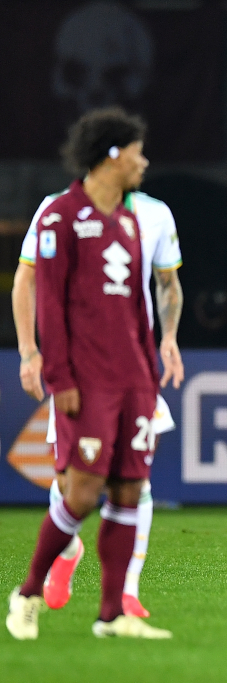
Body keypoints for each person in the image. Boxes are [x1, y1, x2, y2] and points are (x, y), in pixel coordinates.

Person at [6, 108, 172, 639]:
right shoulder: (59, 217)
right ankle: (28, 592)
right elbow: (49, 302)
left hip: (135, 381)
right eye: (138, 153)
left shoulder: (129, 219)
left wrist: (150, 368)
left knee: (129, 490)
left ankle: (112, 615)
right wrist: (59, 377)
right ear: (115, 155)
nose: (144, 163)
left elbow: (134, 307)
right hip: (87, 381)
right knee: (81, 492)